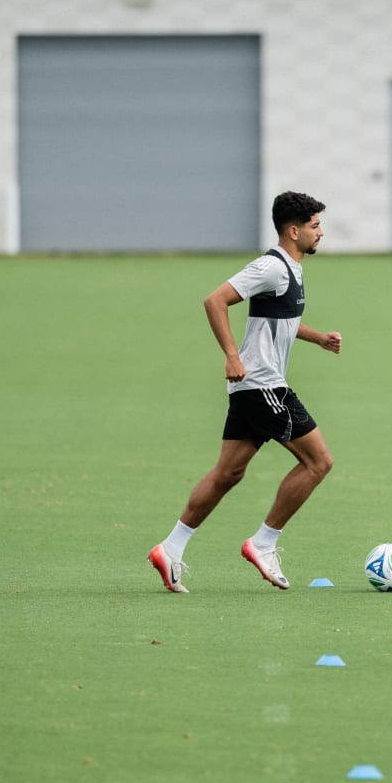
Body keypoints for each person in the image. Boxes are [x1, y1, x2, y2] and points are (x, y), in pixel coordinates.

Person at [149, 191, 341, 593]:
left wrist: (317, 338)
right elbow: (215, 300)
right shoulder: (270, 267)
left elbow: (282, 321)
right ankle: (264, 542)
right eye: (315, 226)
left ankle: (170, 548)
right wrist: (231, 356)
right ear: (293, 231)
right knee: (318, 463)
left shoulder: (292, 267)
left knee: (228, 474)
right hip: (262, 385)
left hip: (251, 388)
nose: (321, 232)